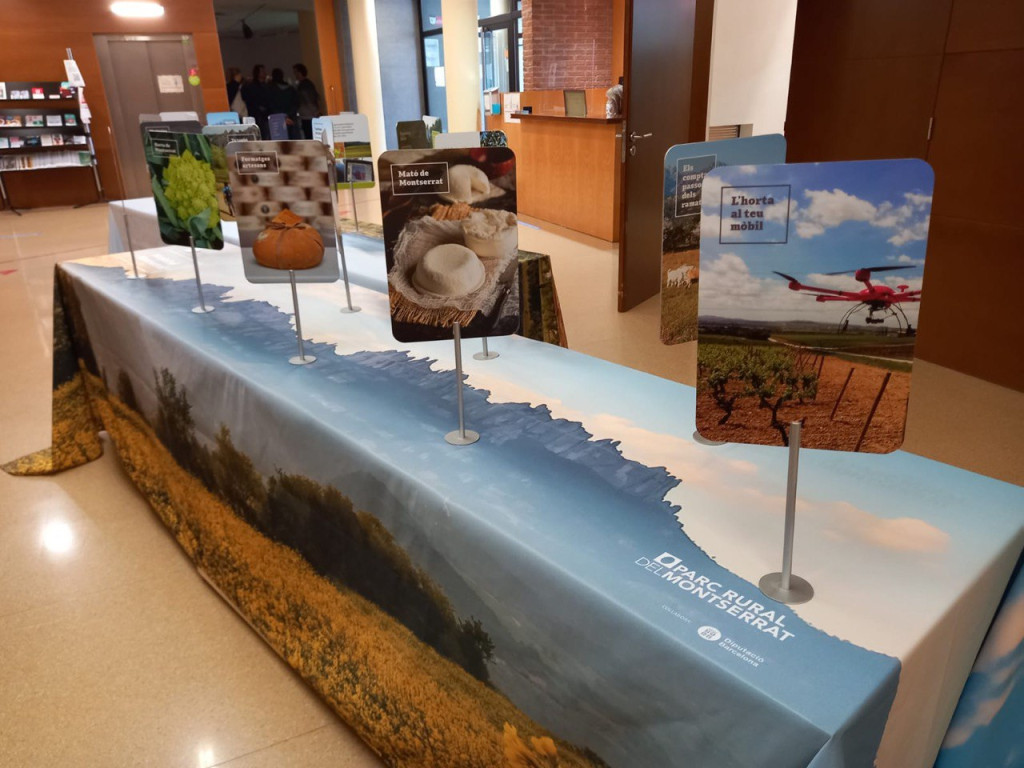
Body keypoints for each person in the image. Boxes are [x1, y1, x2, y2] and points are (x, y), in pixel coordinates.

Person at [267, 67, 300, 139]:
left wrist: (281, 117)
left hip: (276, 120)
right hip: (291, 118)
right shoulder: (291, 89)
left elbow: (270, 105)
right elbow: (296, 104)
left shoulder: (270, 89)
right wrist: (288, 115)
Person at [293, 63, 322, 140]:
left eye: (295, 72)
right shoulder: (308, 83)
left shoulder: (304, 85)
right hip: (310, 114)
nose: (295, 75)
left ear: (299, 72)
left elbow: (308, 100)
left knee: (309, 136)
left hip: (308, 115)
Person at [241, 65, 270, 138]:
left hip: (265, 114)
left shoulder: (267, 86)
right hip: (256, 114)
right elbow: (249, 99)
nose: (265, 73)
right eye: (262, 71)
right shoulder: (251, 86)